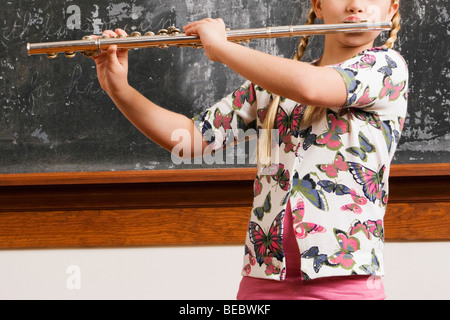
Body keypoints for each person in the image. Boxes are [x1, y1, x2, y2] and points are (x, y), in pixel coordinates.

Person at [91, 0, 408, 300]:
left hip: (345, 282)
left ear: (391, 7)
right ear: (317, 4)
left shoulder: (387, 68)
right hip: (264, 279)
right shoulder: (272, 86)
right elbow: (188, 140)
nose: (355, 4)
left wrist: (222, 48)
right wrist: (119, 88)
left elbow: (311, 87)